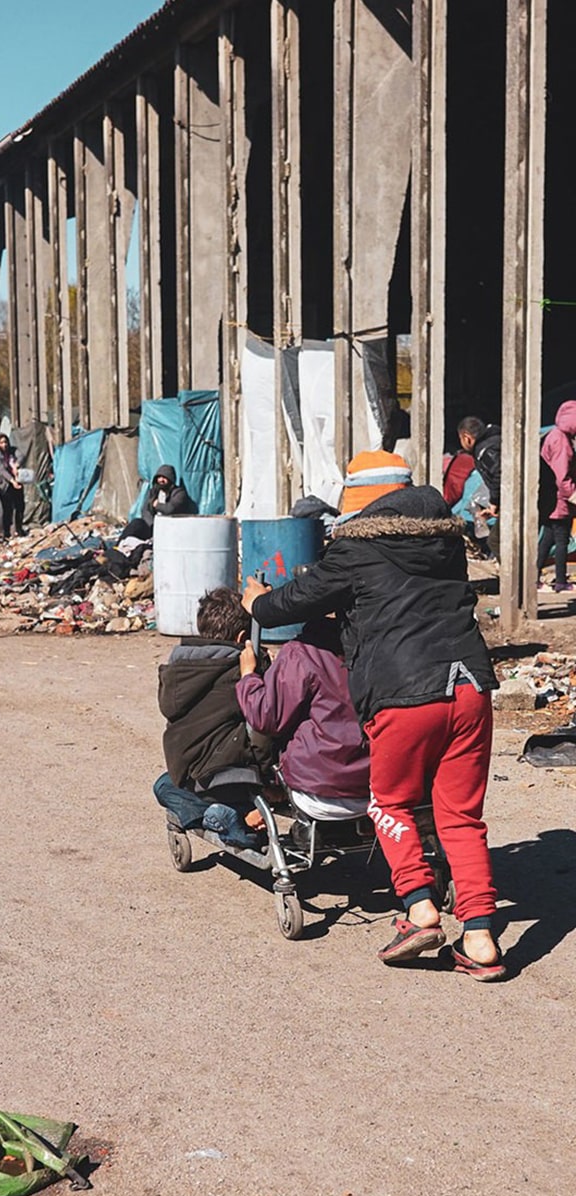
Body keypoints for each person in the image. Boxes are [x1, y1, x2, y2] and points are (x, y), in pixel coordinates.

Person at [242, 448, 505, 982]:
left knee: (390, 802)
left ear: (361, 503)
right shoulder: (444, 540)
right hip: (471, 685)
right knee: (459, 814)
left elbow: (299, 600)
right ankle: (479, 936)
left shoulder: (358, 548)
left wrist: (257, 604)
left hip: (405, 693)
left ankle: (419, 910)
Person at [153, 587, 272, 848]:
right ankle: (237, 818)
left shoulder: (178, 668)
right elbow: (264, 723)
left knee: (163, 785)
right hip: (239, 775)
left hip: (190, 774)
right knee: (252, 831)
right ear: (243, 637)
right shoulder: (243, 670)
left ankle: (212, 815)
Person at [235, 618, 370, 824]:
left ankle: (273, 793)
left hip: (317, 790)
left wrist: (248, 677)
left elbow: (265, 717)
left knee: (274, 736)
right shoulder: (378, 647)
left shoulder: (301, 652)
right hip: (374, 783)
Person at [538, 401, 576, 592]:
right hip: (560, 500)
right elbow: (562, 477)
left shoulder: (553, 434)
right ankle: (561, 581)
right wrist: (573, 495)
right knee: (562, 541)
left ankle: (534, 577)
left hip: (550, 499)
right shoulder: (562, 442)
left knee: (548, 538)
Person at [457, 415, 501, 558]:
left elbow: (499, 475)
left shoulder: (486, 450)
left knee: (495, 541)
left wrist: (494, 501)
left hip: (516, 501)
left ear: (466, 437)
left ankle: (516, 577)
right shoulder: (495, 441)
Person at [122, 464, 191, 542]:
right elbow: (145, 510)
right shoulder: (154, 492)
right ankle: (117, 546)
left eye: (164, 478)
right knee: (136, 524)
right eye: (159, 477)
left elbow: (170, 509)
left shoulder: (179, 493)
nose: (161, 480)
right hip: (153, 527)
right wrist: (152, 525)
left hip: (170, 528)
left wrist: (157, 505)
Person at [0, 433, 26, 539]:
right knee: (7, 509)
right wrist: (12, 481)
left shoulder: (13, 451)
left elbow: (21, 456)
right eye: (2, 442)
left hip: (16, 481)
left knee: (20, 506)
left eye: (6, 442)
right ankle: (6, 533)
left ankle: (19, 529)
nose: (4, 445)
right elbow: (2, 471)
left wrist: (16, 465)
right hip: (4, 484)